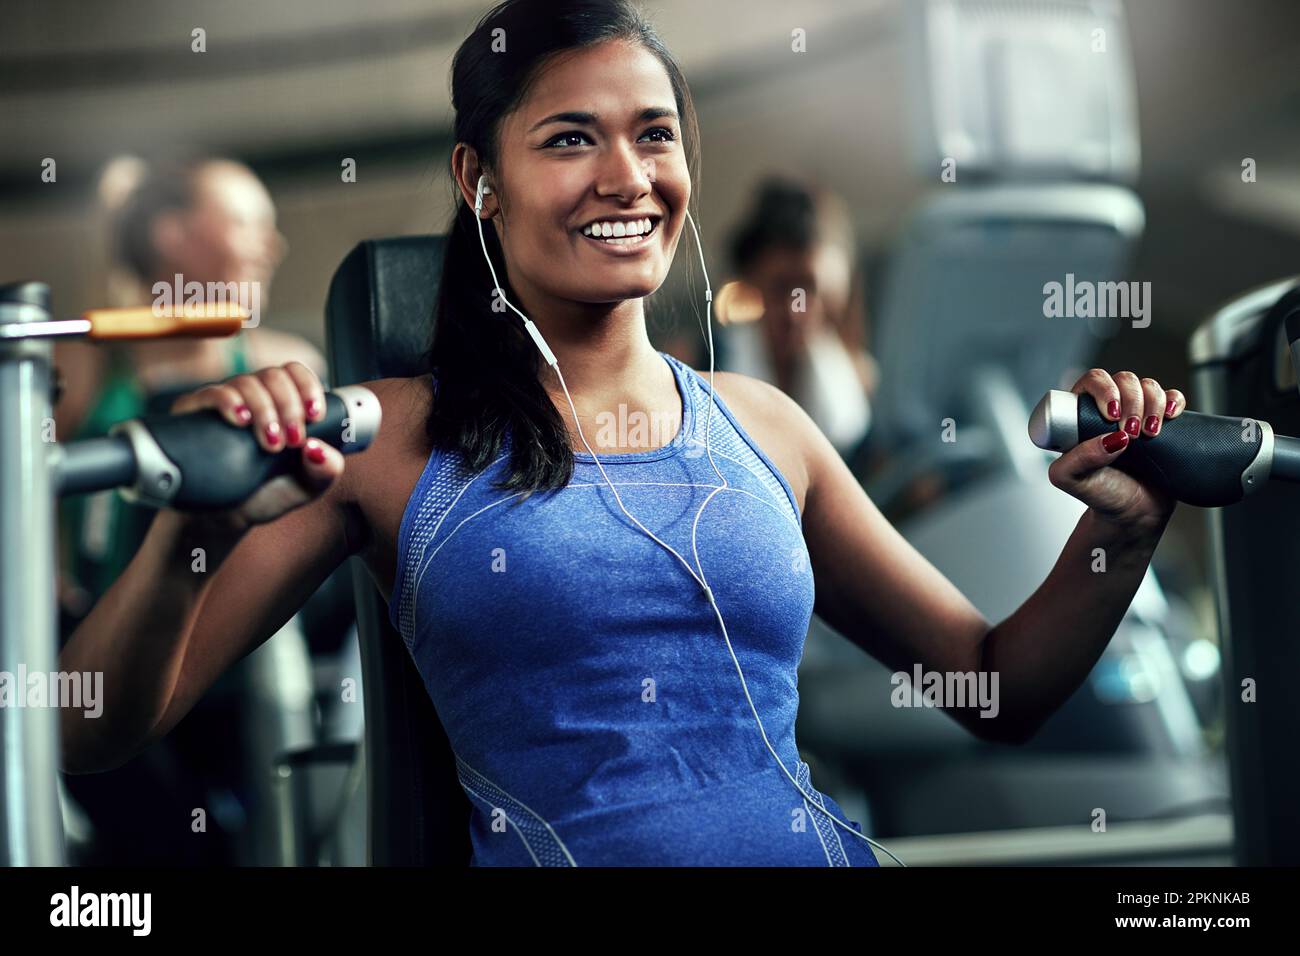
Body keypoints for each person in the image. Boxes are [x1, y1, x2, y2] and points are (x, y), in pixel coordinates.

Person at [58, 0, 1187, 867]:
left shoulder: (765, 426)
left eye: (654, 133)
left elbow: (994, 685)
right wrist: (183, 534)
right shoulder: (387, 438)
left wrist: (1118, 536)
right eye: (567, 139)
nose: (626, 177)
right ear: (480, 178)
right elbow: (94, 732)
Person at [54, 155, 327, 864]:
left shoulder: (278, 360)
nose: (271, 245)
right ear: (174, 237)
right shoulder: (87, 364)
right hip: (110, 652)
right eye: (245, 223)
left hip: (246, 660)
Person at [722, 176, 878, 458]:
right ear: (753, 280)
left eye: (809, 288)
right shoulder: (702, 367)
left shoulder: (858, 382)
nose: (796, 309)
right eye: (781, 287)